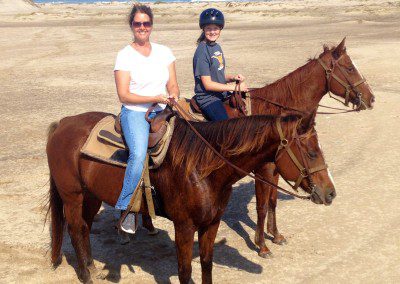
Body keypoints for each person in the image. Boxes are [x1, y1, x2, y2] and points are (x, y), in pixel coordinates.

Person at [114, 4, 179, 234]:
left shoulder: (164, 52)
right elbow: (124, 94)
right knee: (139, 153)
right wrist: (154, 97)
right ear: (132, 26)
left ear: (152, 25)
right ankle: (127, 209)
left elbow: (172, 83)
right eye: (137, 23)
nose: (142, 27)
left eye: (146, 23)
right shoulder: (124, 55)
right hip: (135, 111)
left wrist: (173, 95)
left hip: (162, 109)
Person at [193, 8, 248, 121]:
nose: (212, 32)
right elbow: (208, 84)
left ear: (220, 29)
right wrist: (235, 87)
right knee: (227, 127)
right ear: (203, 29)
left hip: (221, 94)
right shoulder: (202, 52)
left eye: (216, 28)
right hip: (208, 99)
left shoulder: (217, 47)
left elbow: (218, 75)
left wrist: (233, 78)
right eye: (209, 28)